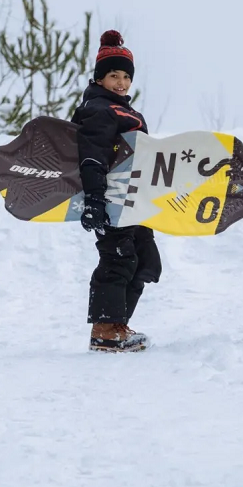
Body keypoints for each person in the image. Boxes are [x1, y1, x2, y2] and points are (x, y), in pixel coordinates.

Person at [70, 30, 162, 353]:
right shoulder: (98, 110)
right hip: (109, 201)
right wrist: (94, 200)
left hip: (135, 202)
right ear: (100, 78)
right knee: (119, 257)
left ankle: (117, 324)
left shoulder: (132, 115)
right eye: (113, 75)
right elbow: (92, 156)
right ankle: (105, 329)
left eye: (126, 76)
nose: (121, 82)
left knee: (146, 261)